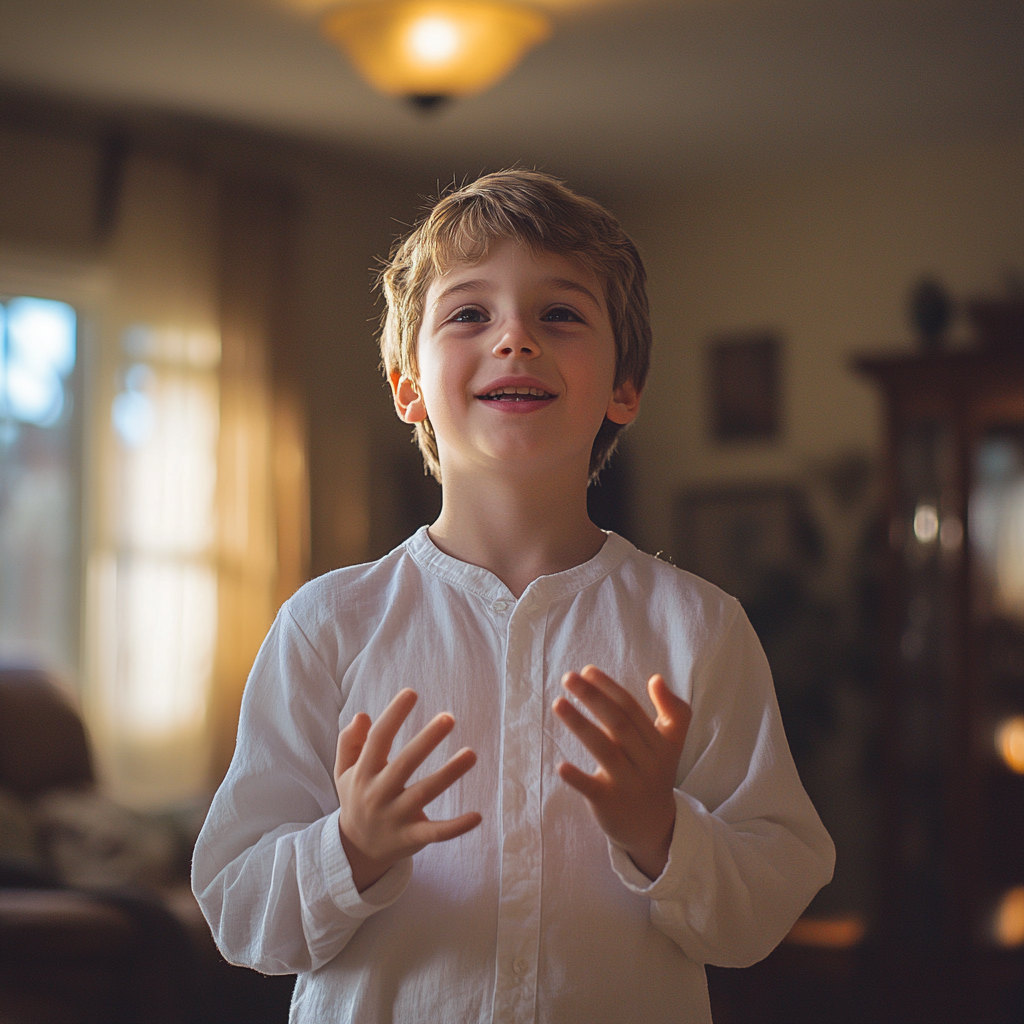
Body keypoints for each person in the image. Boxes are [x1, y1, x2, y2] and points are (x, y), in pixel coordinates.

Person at [192, 169, 835, 1024]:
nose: (515, 339)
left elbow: (768, 895)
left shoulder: (699, 630)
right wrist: (348, 849)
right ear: (407, 386)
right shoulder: (324, 627)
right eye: (468, 313)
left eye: (560, 313)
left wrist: (662, 832)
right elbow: (238, 910)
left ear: (624, 388)